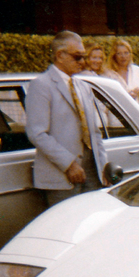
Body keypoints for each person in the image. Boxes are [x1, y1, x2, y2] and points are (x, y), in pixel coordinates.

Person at [25, 31, 110, 206]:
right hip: (62, 174)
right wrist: (69, 164)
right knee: (66, 226)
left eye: (84, 57)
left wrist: (103, 167)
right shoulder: (41, 85)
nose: (83, 62)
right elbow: (37, 133)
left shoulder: (82, 85)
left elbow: (94, 131)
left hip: (92, 171)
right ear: (60, 56)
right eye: (78, 57)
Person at [105, 39, 139, 113]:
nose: (123, 56)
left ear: (130, 54)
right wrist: (127, 97)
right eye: (119, 53)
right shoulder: (108, 74)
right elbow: (107, 99)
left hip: (138, 113)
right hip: (118, 116)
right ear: (114, 56)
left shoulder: (137, 70)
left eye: (126, 53)